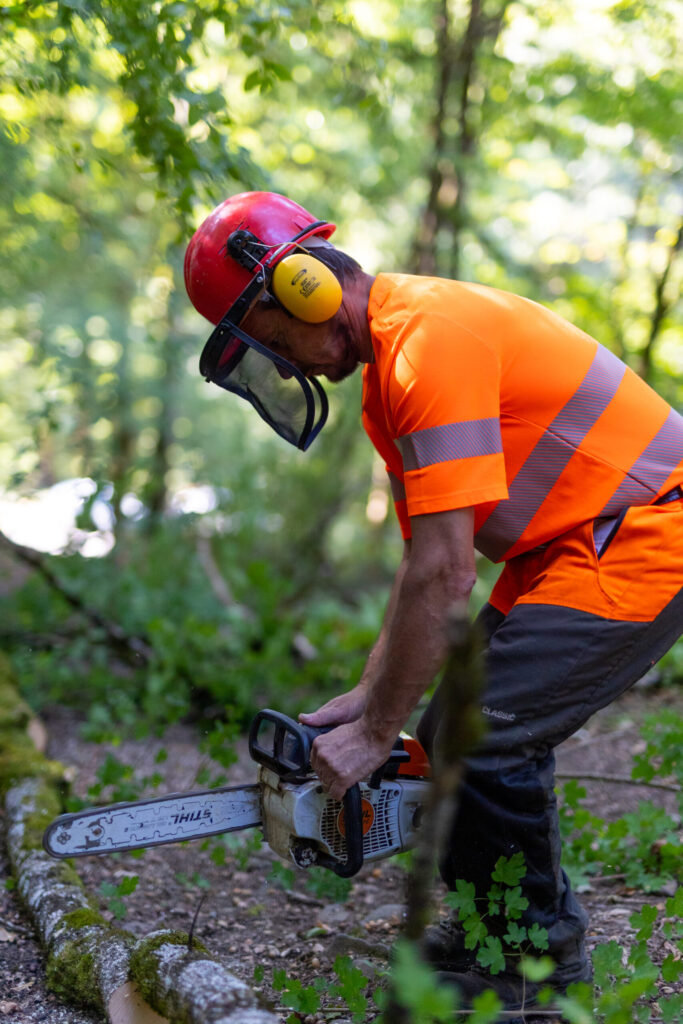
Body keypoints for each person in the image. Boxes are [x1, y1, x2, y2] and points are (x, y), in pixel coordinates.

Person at [184, 191, 683, 1013]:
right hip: (570, 544)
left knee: (484, 736)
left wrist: (380, 730)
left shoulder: (428, 342)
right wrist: (370, 698)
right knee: (451, 728)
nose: (291, 367)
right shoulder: (393, 378)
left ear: (307, 284)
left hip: (646, 530)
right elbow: (426, 563)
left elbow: (449, 570)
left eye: (279, 343)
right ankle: (496, 927)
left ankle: (538, 967)